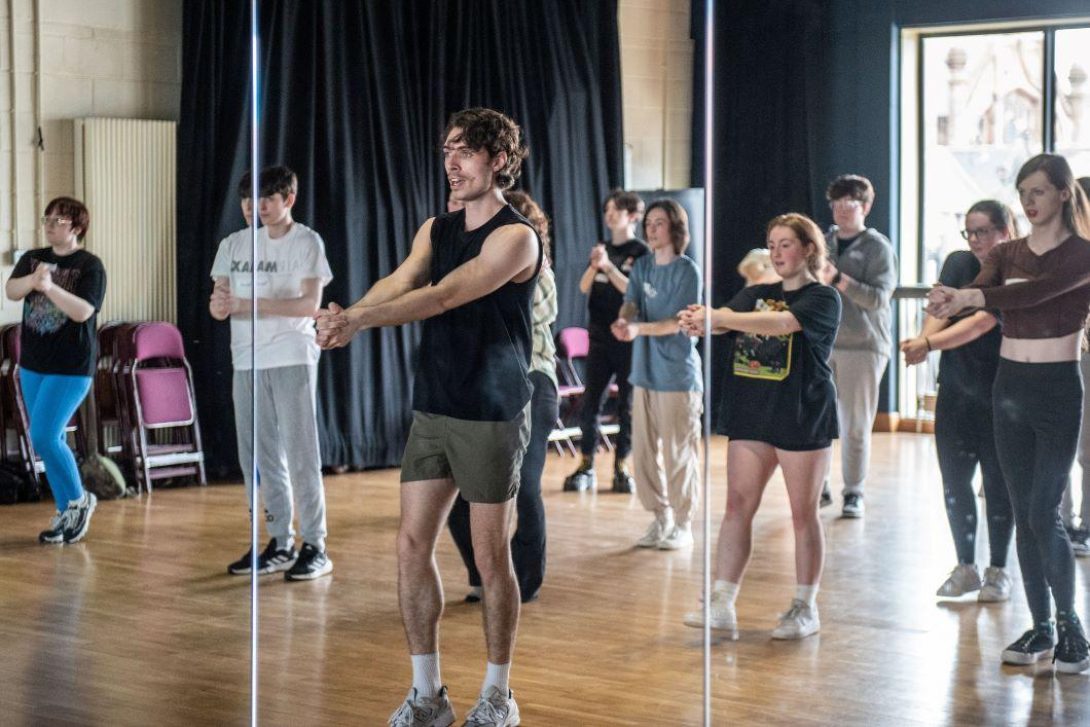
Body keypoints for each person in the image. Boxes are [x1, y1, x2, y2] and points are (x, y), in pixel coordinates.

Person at [315, 108, 538, 726]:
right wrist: (346, 315)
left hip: (491, 410)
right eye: (447, 150)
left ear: (498, 160)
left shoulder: (516, 237)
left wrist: (356, 322)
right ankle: (427, 696)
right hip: (435, 404)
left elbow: (443, 295)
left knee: (490, 559)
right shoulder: (436, 228)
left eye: (465, 151)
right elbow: (403, 278)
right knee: (411, 546)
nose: (452, 162)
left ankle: (497, 696)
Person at [927, 153, 1090, 674]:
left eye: (1038, 191)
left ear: (1062, 193)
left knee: (1045, 511)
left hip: (1057, 389)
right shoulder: (1008, 252)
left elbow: (1039, 292)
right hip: (1010, 389)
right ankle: (1041, 627)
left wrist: (973, 295)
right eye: (1022, 193)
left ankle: (1071, 627)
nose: (1029, 201)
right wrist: (949, 298)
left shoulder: (1082, 254)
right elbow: (985, 289)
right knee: (1023, 512)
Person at [679, 212, 840, 640]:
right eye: (772, 245)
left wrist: (719, 317)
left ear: (808, 248)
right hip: (752, 412)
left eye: (786, 244)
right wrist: (700, 320)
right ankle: (721, 601)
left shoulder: (823, 298)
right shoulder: (757, 294)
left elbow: (783, 323)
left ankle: (804, 606)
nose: (777, 253)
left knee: (803, 514)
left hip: (802, 414)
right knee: (737, 506)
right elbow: (722, 320)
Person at [210, 166, 334, 581]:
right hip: (246, 360)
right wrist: (222, 305)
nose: (255, 206)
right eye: (249, 199)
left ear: (288, 199)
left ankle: (315, 544)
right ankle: (279, 541)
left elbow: (309, 304)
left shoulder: (306, 241)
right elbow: (219, 303)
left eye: (266, 198)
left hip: (291, 355)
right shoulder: (232, 244)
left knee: (300, 454)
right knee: (258, 457)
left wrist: (248, 305)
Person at [901, 201, 1018, 601]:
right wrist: (923, 339)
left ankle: (998, 570)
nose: (975, 240)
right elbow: (939, 307)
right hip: (955, 389)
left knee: (998, 483)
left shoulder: (1013, 271)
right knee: (954, 480)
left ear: (1004, 231)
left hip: (1001, 395)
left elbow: (981, 322)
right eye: (969, 231)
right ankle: (965, 565)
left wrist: (929, 344)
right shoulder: (958, 262)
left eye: (983, 231)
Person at [447, 189, 557, 604]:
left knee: (524, 486)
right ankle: (486, 574)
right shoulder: (469, 265)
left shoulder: (537, 269)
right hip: (483, 385)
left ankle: (524, 581)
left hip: (532, 382)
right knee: (457, 492)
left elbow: (520, 317)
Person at [6, 197, 106, 544]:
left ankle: (80, 500)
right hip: (34, 362)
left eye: (57, 221)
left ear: (76, 227)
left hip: (71, 365)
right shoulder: (33, 259)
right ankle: (66, 510)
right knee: (52, 439)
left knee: (44, 436)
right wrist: (33, 281)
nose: (49, 226)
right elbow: (11, 290)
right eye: (46, 219)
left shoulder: (90, 265)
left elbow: (83, 312)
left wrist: (50, 288)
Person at [611, 199, 702, 550]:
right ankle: (660, 517)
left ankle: (683, 523)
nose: (651, 229)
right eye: (648, 222)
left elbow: (676, 323)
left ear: (675, 228)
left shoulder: (687, 271)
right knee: (644, 453)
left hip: (677, 376)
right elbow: (631, 301)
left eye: (659, 222)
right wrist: (624, 319)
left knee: (678, 452)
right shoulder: (643, 265)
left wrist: (638, 329)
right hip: (644, 372)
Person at [819, 174, 897, 518]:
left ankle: (854, 492)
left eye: (848, 203)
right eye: (835, 203)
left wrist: (838, 279)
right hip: (824, 344)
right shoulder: (823, 242)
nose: (841, 210)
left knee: (855, 425)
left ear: (865, 206)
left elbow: (878, 298)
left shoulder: (878, 247)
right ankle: (818, 486)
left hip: (864, 346)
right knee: (818, 421)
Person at [562, 190, 650, 493]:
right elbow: (583, 286)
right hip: (598, 338)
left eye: (616, 210)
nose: (609, 215)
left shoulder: (641, 252)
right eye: (607, 210)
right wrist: (594, 265)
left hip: (627, 339)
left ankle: (622, 466)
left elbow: (633, 291)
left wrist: (609, 267)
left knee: (627, 406)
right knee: (591, 403)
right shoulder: (603, 248)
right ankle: (586, 464)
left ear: (632, 216)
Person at [1063, 175, 1090, 556]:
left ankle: (1085, 525)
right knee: (1061, 447)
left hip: (1084, 354)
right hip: (1060, 352)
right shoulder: (1063, 251)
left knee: (1087, 449)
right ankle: (1063, 521)